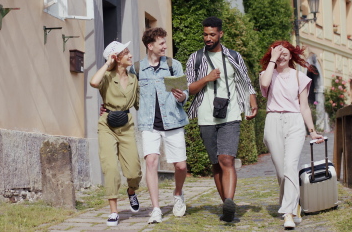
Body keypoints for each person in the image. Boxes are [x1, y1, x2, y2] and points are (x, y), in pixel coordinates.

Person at [185, 16, 258, 222]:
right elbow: (188, 89)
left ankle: (229, 201)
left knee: (227, 159)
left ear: (220, 34)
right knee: (216, 164)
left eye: (212, 34)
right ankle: (227, 206)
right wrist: (207, 78)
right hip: (206, 117)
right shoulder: (195, 58)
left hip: (231, 115)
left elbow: (246, 82)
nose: (208, 38)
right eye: (205, 34)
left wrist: (252, 103)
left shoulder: (234, 56)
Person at [258, 40, 324, 230]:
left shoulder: (299, 77)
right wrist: (272, 60)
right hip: (273, 122)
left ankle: (288, 213)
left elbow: (304, 107)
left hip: (294, 122)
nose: (282, 54)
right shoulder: (267, 74)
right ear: (273, 54)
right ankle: (293, 203)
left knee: (289, 166)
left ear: (291, 55)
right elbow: (264, 83)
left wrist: (312, 131)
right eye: (278, 51)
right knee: (281, 171)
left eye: (285, 51)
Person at [130, 27, 189, 224]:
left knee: (180, 165)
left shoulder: (174, 65)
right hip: (149, 124)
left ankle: (178, 194)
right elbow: (126, 89)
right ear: (150, 45)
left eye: (165, 42)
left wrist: (182, 96)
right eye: (161, 43)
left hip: (173, 121)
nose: (165, 46)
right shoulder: (137, 69)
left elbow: (185, 93)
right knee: (151, 162)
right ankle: (156, 208)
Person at [89, 41, 143, 227]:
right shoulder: (107, 76)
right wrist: (107, 64)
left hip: (126, 124)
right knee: (110, 167)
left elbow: (139, 103)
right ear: (117, 58)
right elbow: (93, 82)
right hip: (107, 124)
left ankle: (131, 191)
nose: (130, 55)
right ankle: (113, 211)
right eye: (126, 52)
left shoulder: (134, 79)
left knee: (134, 170)